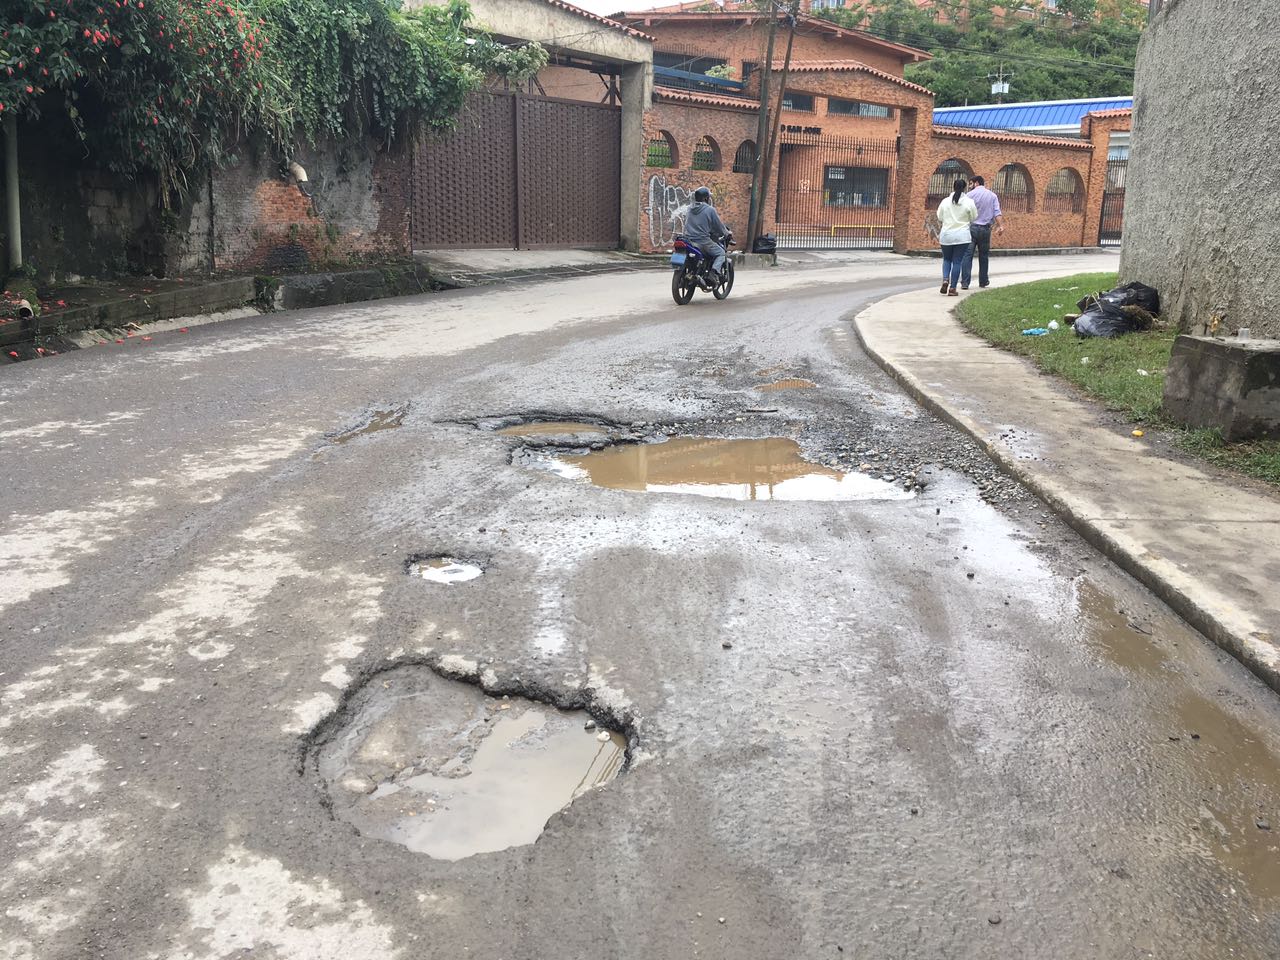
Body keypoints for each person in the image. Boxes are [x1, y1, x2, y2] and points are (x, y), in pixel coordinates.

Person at [961, 175, 1004, 290]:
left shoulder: (968, 196)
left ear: (976, 183)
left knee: (967, 255)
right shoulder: (992, 196)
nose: (969, 186)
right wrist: (1000, 226)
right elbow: (997, 212)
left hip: (971, 228)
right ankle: (983, 281)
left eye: (970, 184)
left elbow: (963, 212)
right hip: (985, 229)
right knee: (984, 256)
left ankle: (965, 282)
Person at [936, 177, 978, 297]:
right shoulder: (969, 202)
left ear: (953, 187)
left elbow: (939, 216)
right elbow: (974, 217)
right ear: (964, 188)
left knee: (947, 259)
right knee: (957, 261)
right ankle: (953, 288)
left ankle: (945, 279)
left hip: (946, 235)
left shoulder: (945, 201)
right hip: (962, 236)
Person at [683, 186, 730, 278]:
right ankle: (713, 272)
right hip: (702, 241)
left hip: (688, 240)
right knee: (721, 253)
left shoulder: (689, 209)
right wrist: (727, 233)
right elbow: (719, 226)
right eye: (708, 197)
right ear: (706, 198)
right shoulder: (710, 210)